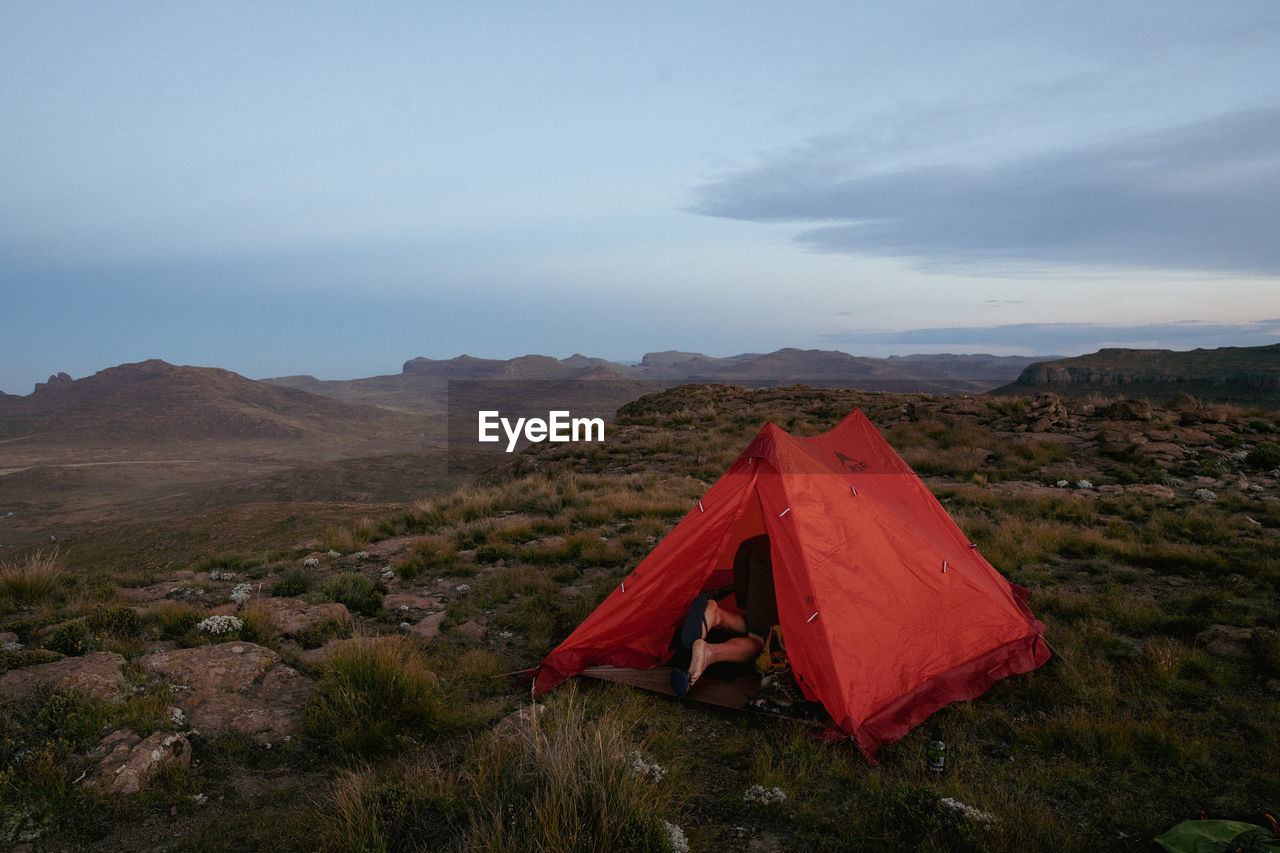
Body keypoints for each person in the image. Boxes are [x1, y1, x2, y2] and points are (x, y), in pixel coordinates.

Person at [671, 534, 777, 696]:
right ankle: (710, 652)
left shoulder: (753, 543)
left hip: (755, 549)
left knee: (754, 621)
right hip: (782, 559)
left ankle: (716, 614)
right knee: (760, 640)